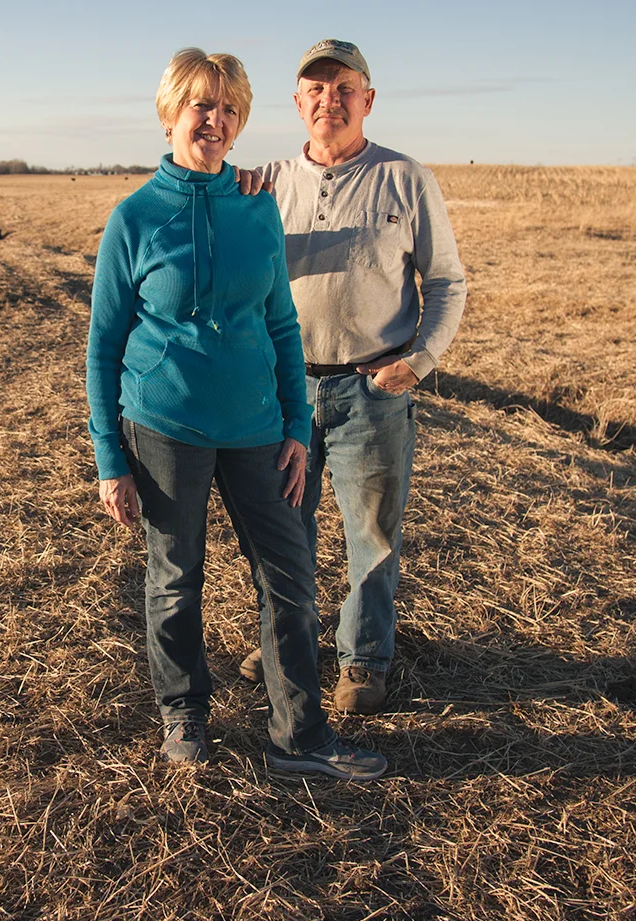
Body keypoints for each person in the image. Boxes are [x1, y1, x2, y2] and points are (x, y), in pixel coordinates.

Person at [87, 48, 388, 780]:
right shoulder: (134, 218)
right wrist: (108, 460)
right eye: (200, 105)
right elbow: (102, 346)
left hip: (257, 428)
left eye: (227, 109)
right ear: (170, 114)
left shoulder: (256, 206)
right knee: (174, 576)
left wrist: (293, 426)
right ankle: (184, 716)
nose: (214, 121)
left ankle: (300, 738)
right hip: (162, 428)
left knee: (287, 577)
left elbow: (281, 325)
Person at [238, 39, 467, 713]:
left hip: (368, 392)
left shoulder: (405, 178)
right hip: (281, 394)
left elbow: (448, 281)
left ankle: (364, 659)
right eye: (315, 89)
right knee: (283, 531)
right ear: (296, 102)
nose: (327, 100)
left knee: (369, 533)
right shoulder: (264, 184)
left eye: (343, 89)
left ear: (367, 100)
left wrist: (416, 362)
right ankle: (289, 640)